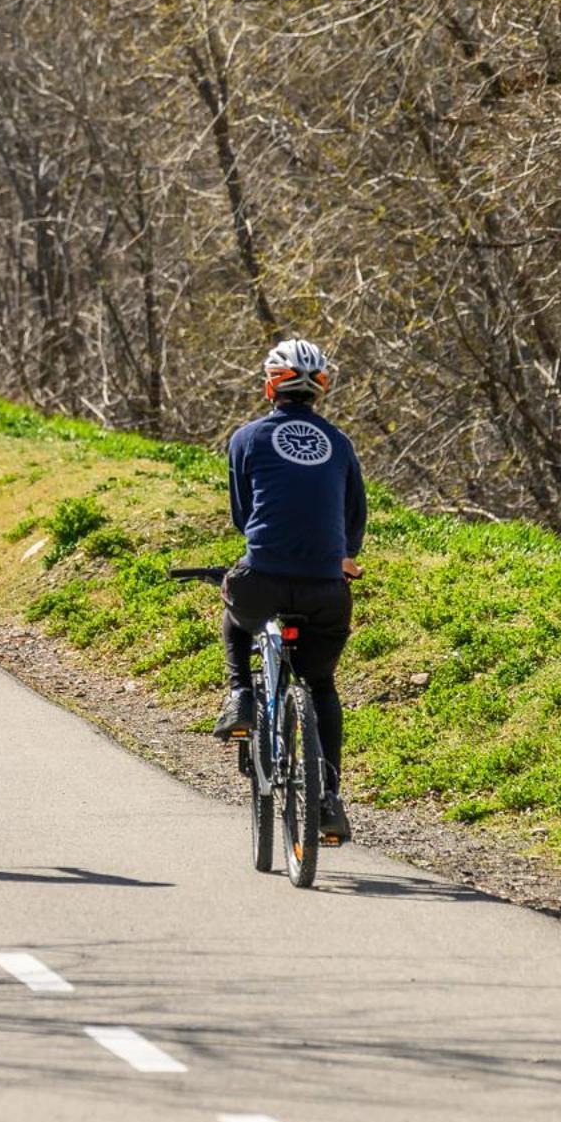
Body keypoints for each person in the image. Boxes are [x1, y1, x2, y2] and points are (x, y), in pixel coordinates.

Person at [212, 338, 366, 843]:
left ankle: (239, 697)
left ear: (269, 385)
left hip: (264, 580)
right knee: (320, 685)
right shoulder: (340, 444)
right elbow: (353, 523)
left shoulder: (248, 438)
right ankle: (327, 801)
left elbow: (242, 515)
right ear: (321, 388)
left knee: (235, 608)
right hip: (327, 589)